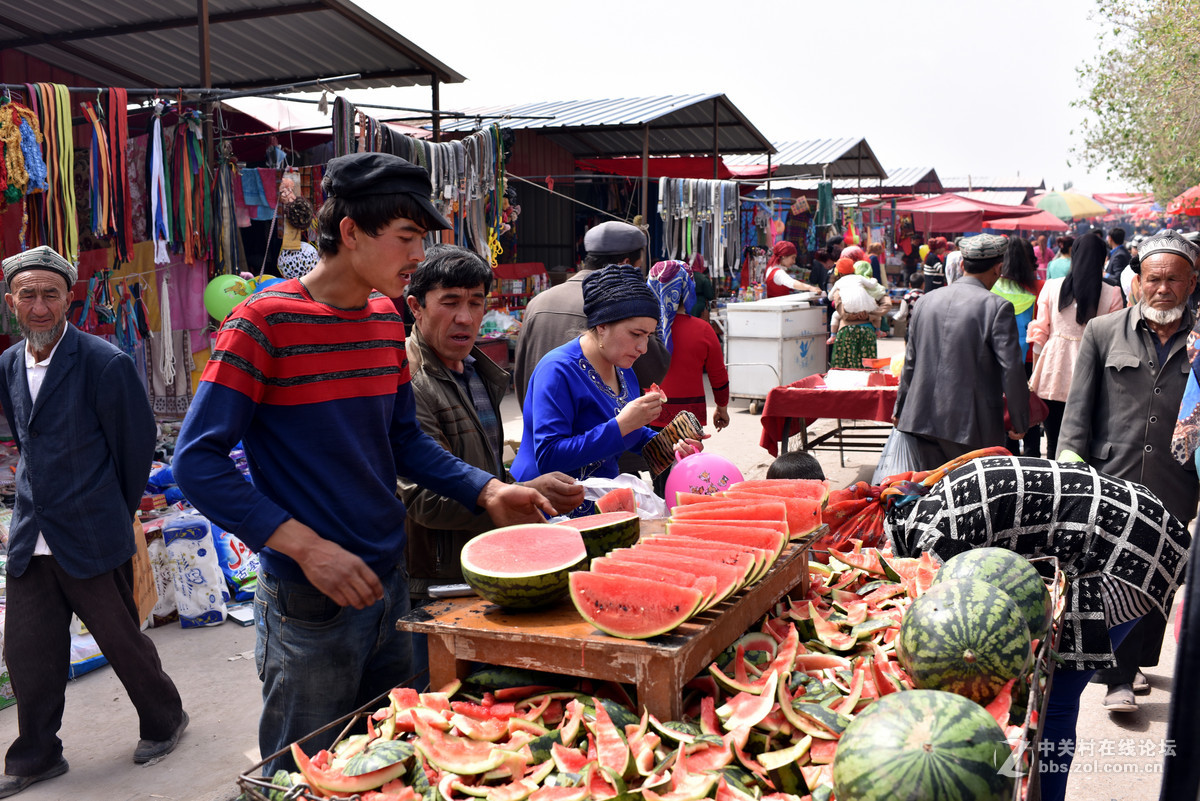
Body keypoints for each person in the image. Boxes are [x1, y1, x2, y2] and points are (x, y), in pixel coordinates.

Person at [172, 152, 555, 773]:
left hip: (391, 583)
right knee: (303, 771)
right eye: (406, 238)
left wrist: (485, 490)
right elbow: (197, 462)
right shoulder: (262, 323)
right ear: (350, 232)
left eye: (422, 239)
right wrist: (304, 546)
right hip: (310, 599)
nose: (417, 256)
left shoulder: (383, 321)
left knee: (388, 760)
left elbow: (403, 440)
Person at [885, 453, 1189, 801]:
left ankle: (1048, 795)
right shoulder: (935, 502)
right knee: (1048, 688)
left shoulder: (932, 538)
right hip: (1132, 520)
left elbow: (949, 611)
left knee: (1057, 696)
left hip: (1129, 551)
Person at [0, 247, 187, 798]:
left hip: (91, 530)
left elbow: (134, 451)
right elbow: (26, 437)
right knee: (28, 652)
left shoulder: (105, 361)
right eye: (27, 294)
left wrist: (109, 512)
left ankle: (164, 719)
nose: (39, 306)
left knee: (122, 640)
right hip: (32, 533)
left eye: (50, 294)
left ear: (68, 299)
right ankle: (37, 753)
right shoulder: (9, 363)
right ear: (11, 301)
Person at [398, 245, 584, 679]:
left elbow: (479, 463)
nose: (465, 317)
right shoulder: (409, 383)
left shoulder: (477, 372)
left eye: (476, 302)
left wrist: (527, 480)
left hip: (484, 569)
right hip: (435, 580)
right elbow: (419, 496)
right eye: (450, 302)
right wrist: (503, 496)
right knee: (435, 697)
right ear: (415, 307)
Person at [1058, 229, 1200, 714]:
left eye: (1174, 281)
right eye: (1154, 279)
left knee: (1159, 578)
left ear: (1192, 282)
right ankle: (1115, 676)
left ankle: (1138, 662)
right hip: (1111, 479)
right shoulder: (1103, 331)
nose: (1163, 289)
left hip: (1175, 482)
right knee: (1109, 578)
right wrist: (1070, 470)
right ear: (1137, 281)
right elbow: (1078, 410)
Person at [512, 264, 700, 511]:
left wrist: (672, 444)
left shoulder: (624, 370)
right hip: (547, 506)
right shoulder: (557, 371)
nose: (643, 348)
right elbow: (549, 456)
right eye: (636, 334)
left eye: (649, 336)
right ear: (602, 326)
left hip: (600, 500)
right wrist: (622, 425)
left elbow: (631, 435)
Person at [893, 234, 1029, 470]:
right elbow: (1012, 370)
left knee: (929, 496)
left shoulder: (926, 301)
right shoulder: (997, 307)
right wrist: (1020, 420)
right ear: (999, 269)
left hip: (918, 418)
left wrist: (900, 408)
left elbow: (910, 363)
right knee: (972, 498)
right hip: (969, 427)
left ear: (963, 265)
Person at [514, 221, 667, 407]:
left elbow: (521, 376)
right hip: (595, 429)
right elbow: (653, 372)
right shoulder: (615, 307)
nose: (641, 346)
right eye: (638, 267)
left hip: (538, 418)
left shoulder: (537, 302)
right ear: (625, 264)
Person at [1027, 234, 1124, 457]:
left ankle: (1053, 488)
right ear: (1103, 259)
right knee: (1086, 443)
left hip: (1053, 371)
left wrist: (1035, 376)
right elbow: (1115, 340)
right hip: (1093, 374)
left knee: (1053, 443)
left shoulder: (1051, 287)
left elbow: (1039, 335)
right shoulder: (1113, 292)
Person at [647, 261, 730, 432]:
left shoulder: (642, 330)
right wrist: (722, 408)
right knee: (688, 459)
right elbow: (718, 376)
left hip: (646, 415)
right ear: (687, 289)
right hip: (689, 419)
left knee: (650, 459)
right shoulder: (703, 330)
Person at [993, 237, 1044, 457]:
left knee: (1003, 412)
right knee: (1030, 411)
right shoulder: (1040, 288)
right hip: (1031, 361)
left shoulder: (992, 289)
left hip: (998, 360)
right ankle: (1033, 463)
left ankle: (1007, 459)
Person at [688, 253, 715, 320]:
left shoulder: (684, 276)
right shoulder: (703, 278)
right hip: (699, 307)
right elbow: (710, 296)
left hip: (686, 306)